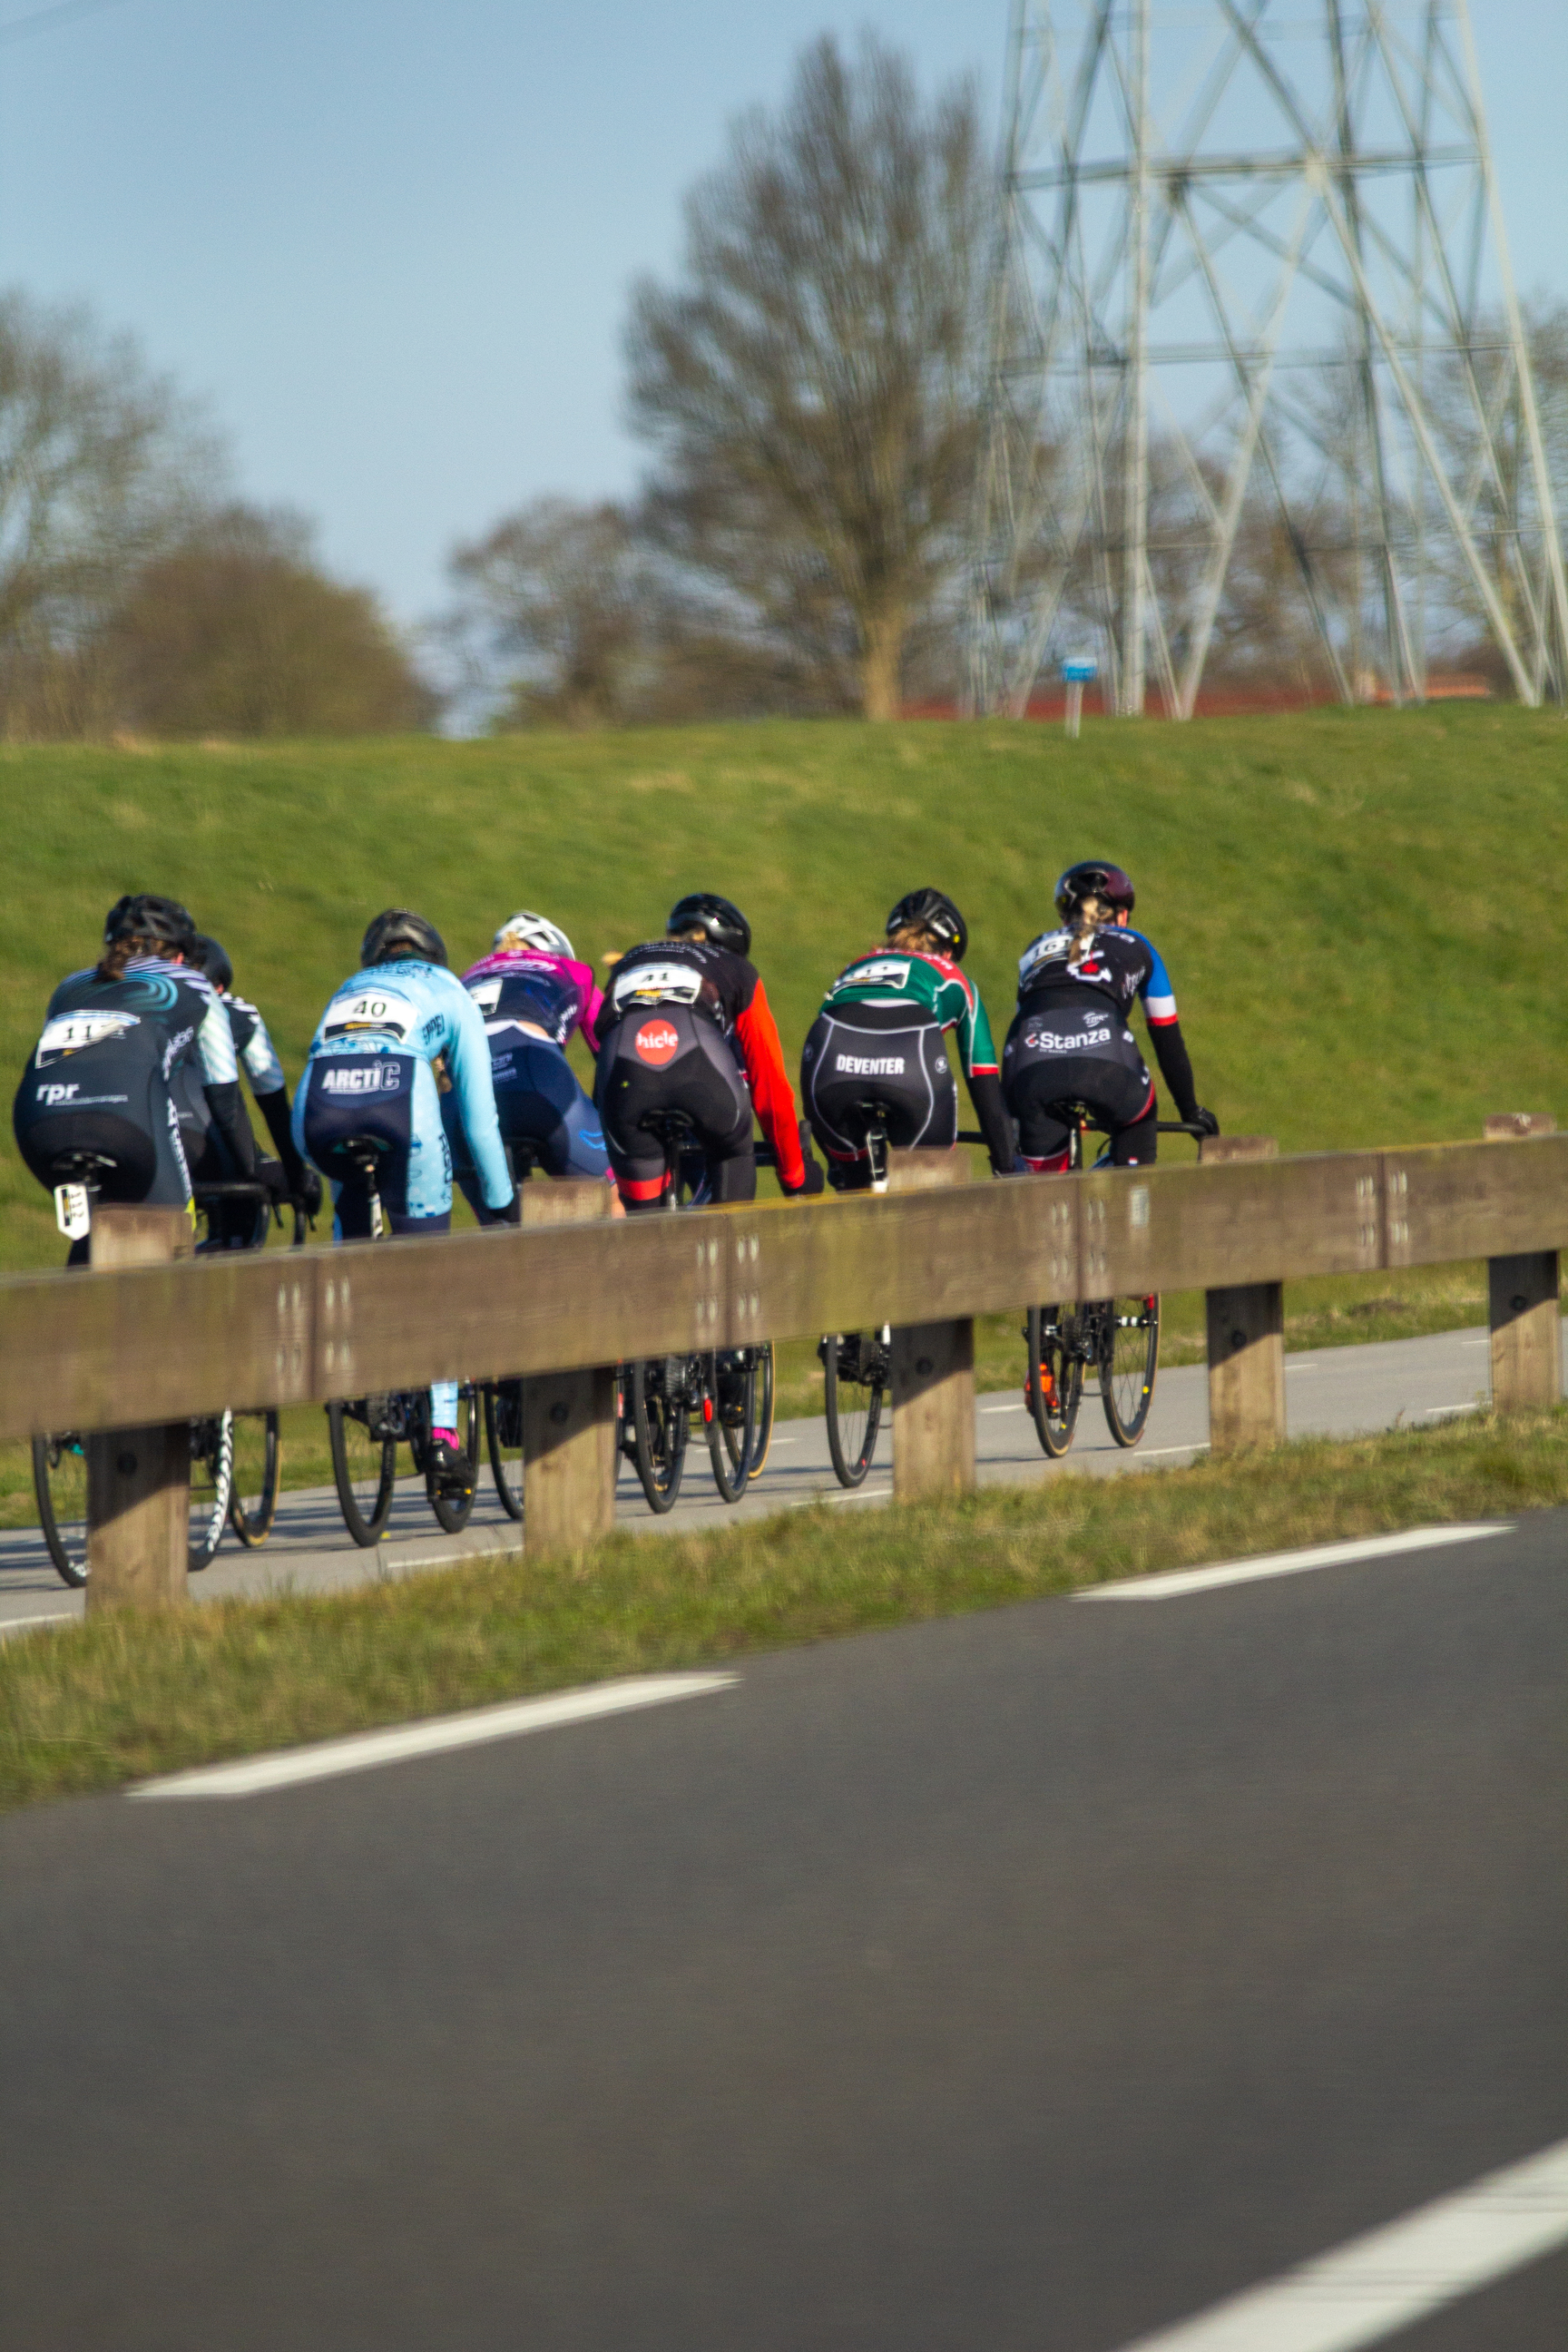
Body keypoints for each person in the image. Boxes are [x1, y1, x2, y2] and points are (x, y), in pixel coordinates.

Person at [294, 908, 515, 1488]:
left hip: (319, 1118)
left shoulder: (347, 989)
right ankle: (443, 1435)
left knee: (354, 1240)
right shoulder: (450, 989)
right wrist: (504, 1209)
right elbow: (479, 1118)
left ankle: (359, 1376)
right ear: (434, 955)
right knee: (428, 1273)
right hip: (402, 1110)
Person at [13, 893, 258, 1265]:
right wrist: (249, 1174)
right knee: (172, 1234)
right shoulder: (191, 982)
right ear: (180, 956)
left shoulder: (71, 984)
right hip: (124, 1118)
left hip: (38, 1123)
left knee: (96, 1229)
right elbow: (224, 1097)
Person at [596, 892, 819, 1210]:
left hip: (626, 1076)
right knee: (732, 1160)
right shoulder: (737, 969)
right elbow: (770, 1087)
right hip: (699, 1064)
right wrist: (795, 1176)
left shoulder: (629, 961)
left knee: (644, 1234)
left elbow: (601, 1032)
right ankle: (730, 1250)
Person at [1004, 860, 1218, 1170]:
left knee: (1041, 1193)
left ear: (1065, 917)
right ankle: (1131, 1199)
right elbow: (1166, 1036)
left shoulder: (1036, 947)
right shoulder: (1139, 944)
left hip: (1033, 1064)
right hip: (1107, 1063)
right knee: (1136, 1126)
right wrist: (1190, 1111)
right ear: (1123, 915)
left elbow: (1026, 1019)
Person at [800, 888, 1016, 1186]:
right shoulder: (953, 975)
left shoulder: (856, 965)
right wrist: (1006, 1165)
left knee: (854, 1190)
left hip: (829, 1061)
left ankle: (857, 1187)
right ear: (948, 952)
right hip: (910, 1066)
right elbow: (983, 1081)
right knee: (929, 1208)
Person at [443, 910, 615, 1214]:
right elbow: (609, 1048)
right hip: (535, 1083)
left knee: (499, 1232)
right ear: (556, 952)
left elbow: (443, 1071)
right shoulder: (570, 969)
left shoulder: (463, 979)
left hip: (461, 1106)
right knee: (616, 1199)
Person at [187, 934, 322, 1246]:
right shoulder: (238, 1012)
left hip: (141, 1133)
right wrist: (298, 1175)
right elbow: (272, 1102)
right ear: (219, 986)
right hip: (212, 1148)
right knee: (251, 1187)